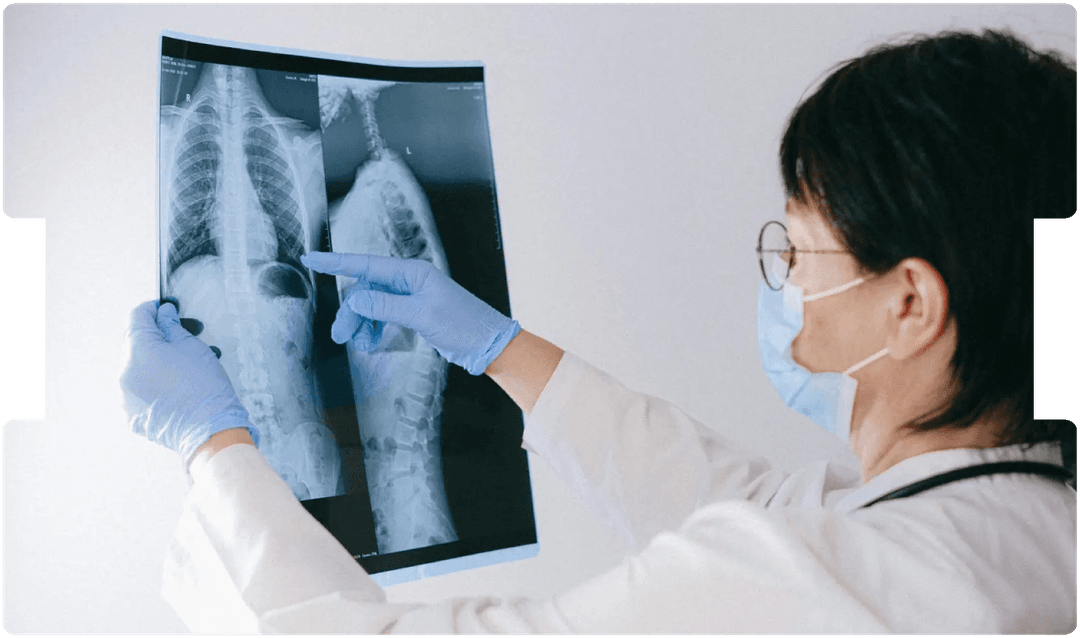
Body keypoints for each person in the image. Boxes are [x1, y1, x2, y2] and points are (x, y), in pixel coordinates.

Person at [121, 28, 1077, 633]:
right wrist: (499, 349)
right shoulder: (1028, 528)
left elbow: (773, 562)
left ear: (910, 306)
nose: (782, 278)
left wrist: (217, 447)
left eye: (799, 249)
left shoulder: (828, 586)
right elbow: (763, 510)